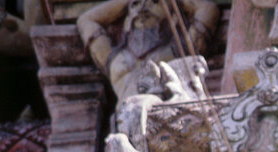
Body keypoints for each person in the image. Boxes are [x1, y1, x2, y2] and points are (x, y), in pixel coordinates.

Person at [77, 0, 219, 101]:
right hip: (122, 128)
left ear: (173, 16)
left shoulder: (179, 52)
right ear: (126, 20)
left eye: (155, 2)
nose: (143, 8)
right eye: (137, 4)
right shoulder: (115, 58)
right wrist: (126, 3)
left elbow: (208, 9)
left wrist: (176, 3)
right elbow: (85, 20)